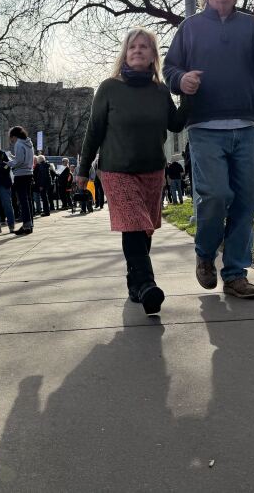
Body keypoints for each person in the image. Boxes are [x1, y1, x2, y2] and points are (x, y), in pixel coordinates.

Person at [162, 0, 254, 299]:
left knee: (245, 203)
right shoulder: (190, 27)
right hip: (204, 126)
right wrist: (181, 80)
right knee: (214, 195)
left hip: (246, 124)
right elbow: (170, 68)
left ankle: (235, 273)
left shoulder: (252, 23)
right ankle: (204, 253)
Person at [77, 26, 189, 315]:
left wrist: (189, 95)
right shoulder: (109, 88)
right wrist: (82, 169)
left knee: (145, 229)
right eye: (132, 47)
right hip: (117, 169)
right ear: (125, 54)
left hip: (152, 170)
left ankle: (134, 280)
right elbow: (94, 131)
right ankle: (146, 284)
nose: (137, 50)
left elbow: (175, 124)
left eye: (144, 46)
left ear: (153, 55)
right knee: (135, 224)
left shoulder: (160, 90)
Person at [8, 126, 35, 235]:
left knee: (22, 201)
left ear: (14, 136)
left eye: (11, 138)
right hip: (29, 173)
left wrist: (10, 163)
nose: (11, 141)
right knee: (27, 200)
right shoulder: (29, 143)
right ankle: (29, 225)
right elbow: (25, 158)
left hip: (20, 174)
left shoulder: (18, 144)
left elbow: (19, 161)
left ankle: (26, 225)